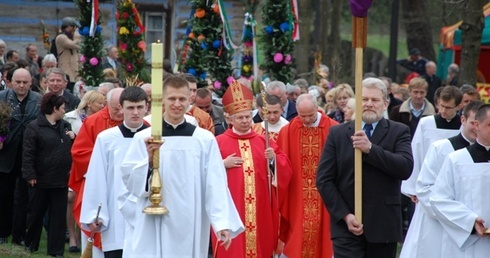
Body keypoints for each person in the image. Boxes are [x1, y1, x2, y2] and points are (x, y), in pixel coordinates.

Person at [120, 76, 244, 258]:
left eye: (182, 99)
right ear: (162, 99)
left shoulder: (203, 139)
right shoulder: (144, 138)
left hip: (190, 217)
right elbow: (130, 184)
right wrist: (147, 159)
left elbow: (215, 182)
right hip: (153, 219)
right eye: (171, 98)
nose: (177, 104)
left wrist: (221, 222)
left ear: (190, 100)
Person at [316, 77, 413, 258]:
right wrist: (345, 215)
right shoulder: (338, 133)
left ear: (385, 104)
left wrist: (370, 149)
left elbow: (405, 168)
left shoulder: (398, 131)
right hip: (347, 227)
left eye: (374, 100)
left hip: (383, 225)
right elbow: (324, 179)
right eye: (364, 99)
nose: (369, 104)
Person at [215, 80, 292, 257]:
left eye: (248, 117)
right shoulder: (218, 142)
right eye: (240, 117)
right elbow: (204, 172)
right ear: (230, 119)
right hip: (231, 208)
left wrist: (273, 160)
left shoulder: (262, 140)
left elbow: (284, 164)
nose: (245, 121)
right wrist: (222, 165)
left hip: (260, 207)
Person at [400, 100, 482, 258]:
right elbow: (425, 188)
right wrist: (456, 215)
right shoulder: (441, 148)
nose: (477, 128)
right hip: (437, 223)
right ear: (463, 120)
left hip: (472, 225)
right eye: (473, 123)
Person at [80, 87, 149, 258]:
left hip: (145, 212)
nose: (135, 112)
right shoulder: (107, 138)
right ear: (121, 107)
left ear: (146, 107)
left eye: (139, 107)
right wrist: (95, 213)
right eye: (130, 107)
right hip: (114, 212)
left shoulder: (153, 138)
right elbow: (97, 177)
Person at [276, 93, 337, 258]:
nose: (307, 120)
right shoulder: (288, 131)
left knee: (325, 233)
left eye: (310, 115)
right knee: (298, 234)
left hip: (325, 193)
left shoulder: (333, 129)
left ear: (317, 109)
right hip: (297, 195)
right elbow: (281, 163)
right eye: (302, 116)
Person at [69, 88, 124, 258]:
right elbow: (80, 153)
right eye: (116, 108)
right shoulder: (93, 122)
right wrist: (106, 166)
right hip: (100, 185)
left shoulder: (138, 124)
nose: (121, 112)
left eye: (124, 107)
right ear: (107, 104)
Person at [430, 104, 490, 257]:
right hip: (469, 244)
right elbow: (439, 199)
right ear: (477, 125)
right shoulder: (457, 160)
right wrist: (470, 221)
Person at [22, 92, 75, 257]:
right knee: (36, 214)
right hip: (40, 180)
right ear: (54, 108)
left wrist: (73, 138)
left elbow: (71, 150)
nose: (64, 111)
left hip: (60, 179)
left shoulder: (65, 126)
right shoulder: (34, 127)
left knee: (58, 218)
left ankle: (56, 250)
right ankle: (30, 243)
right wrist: (30, 175)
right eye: (62, 108)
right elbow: (28, 153)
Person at [0, 68, 42, 245]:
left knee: (25, 197)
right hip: (6, 154)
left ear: (31, 82)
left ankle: (20, 235)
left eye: (25, 82)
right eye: (18, 82)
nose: (22, 85)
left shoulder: (38, 100)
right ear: (11, 82)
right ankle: (2, 231)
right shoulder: (2, 97)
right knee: (3, 195)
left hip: (28, 156)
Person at [401, 85, 463, 203]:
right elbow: (416, 152)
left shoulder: (463, 126)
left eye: (448, 107)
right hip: (428, 183)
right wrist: (413, 188)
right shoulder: (427, 123)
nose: (443, 111)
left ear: (459, 106)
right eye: (441, 106)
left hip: (455, 183)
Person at [56, 17, 81, 92]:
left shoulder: (70, 37)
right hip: (66, 69)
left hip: (74, 70)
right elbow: (74, 44)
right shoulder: (61, 37)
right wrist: (77, 35)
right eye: (73, 27)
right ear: (69, 26)